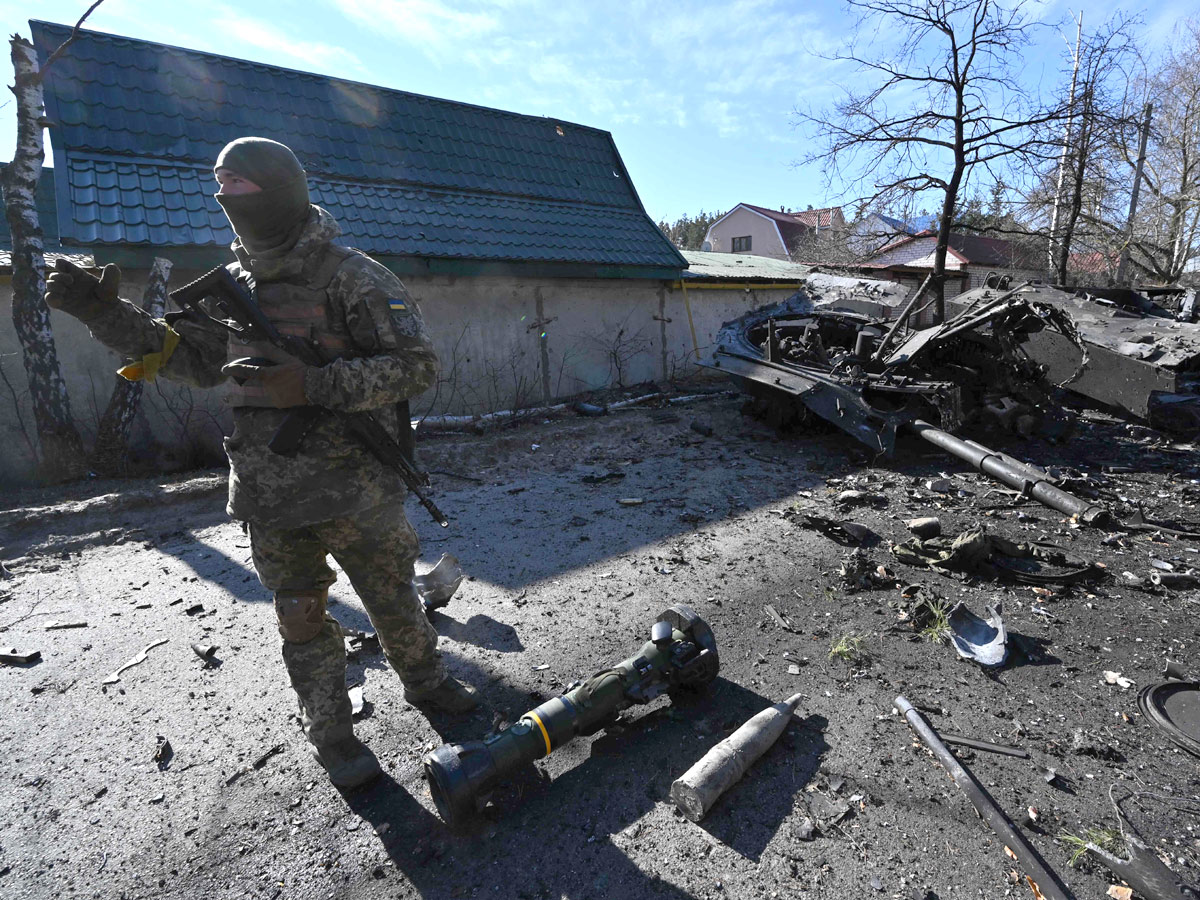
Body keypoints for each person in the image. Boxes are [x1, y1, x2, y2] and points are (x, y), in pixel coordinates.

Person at [45, 137, 478, 789]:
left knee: (392, 600)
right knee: (302, 620)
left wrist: (314, 385)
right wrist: (106, 315)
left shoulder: (353, 277)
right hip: (270, 498)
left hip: (359, 492)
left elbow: (418, 366)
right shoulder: (232, 289)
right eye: (221, 189)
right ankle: (333, 734)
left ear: (281, 192)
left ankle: (428, 684)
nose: (227, 199)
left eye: (240, 187)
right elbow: (185, 360)